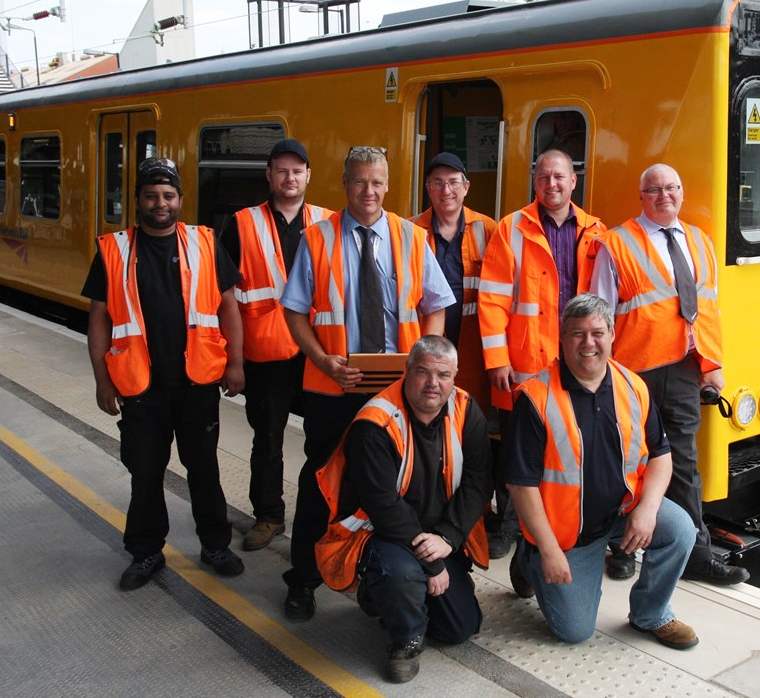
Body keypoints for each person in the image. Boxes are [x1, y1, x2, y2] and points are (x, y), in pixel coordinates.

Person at [278, 145, 455, 622]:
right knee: (322, 483)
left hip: (397, 391)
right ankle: (303, 579)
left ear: (388, 184)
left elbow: (435, 303)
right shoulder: (317, 238)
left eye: (377, 182)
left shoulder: (412, 238)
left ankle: (372, 574)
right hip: (334, 387)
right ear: (344, 183)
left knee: (390, 487)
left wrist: (425, 363)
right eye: (359, 181)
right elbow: (294, 310)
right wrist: (322, 359)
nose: (369, 191)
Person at [82, 156, 246, 591]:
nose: (160, 203)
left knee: (204, 469)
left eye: (168, 195)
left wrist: (235, 363)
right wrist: (102, 380)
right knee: (146, 472)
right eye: (152, 195)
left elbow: (229, 305)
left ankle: (214, 545)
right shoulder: (113, 250)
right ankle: (146, 552)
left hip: (197, 381)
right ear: (137, 200)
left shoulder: (206, 243)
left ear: (179, 200)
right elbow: (98, 317)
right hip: (139, 386)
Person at [503, 294, 699, 649]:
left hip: (623, 512)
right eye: (577, 334)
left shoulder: (632, 386)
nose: (588, 343)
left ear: (611, 335)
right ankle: (530, 558)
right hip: (567, 533)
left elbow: (661, 455)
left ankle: (651, 614)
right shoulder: (535, 398)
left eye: (597, 332)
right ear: (562, 339)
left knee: (680, 530)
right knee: (574, 632)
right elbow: (520, 485)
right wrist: (548, 550)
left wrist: (648, 509)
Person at [590, 163, 748, 587]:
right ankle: (622, 548)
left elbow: (710, 311)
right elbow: (599, 313)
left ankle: (697, 557)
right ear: (642, 196)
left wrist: (713, 368)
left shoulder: (699, 240)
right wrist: (599, 376)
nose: (665, 196)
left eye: (672, 188)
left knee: (682, 464)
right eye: (655, 189)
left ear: (681, 192)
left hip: (682, 370)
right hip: (630, 373)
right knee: (625, 462)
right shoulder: (617, 243)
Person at [313, 336, 491, 684]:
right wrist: (434, 563)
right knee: (401, 575)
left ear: (455, 377)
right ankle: (404, 639)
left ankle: (390, 597)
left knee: (459, 628)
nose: (432, 384)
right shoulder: (374, 423)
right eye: (423, 372)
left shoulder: (466, 411)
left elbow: (478, 480)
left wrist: (448, 537)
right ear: (407, 372)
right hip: (383, 535)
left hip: (439, 532)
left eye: (443, 375)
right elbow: (383, 506)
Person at [477, 148, 606, 562]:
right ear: (535, 183)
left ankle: (549, 536)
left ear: (574, 182)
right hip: (525, 368)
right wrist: (498, 360)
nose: (552, 184)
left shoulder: (596, 231)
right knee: (518, 451)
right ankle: (511, 527)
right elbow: (492, 299)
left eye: (559, 177)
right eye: (544, 178)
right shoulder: (511, 227)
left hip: (578, 364)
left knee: (565, 451)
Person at [220, 138, 334, 552]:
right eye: (282, 170)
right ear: (269, 175)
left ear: (308, 176)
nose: (290, 177)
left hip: (318, 353)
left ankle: (324, 518)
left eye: (297, 170)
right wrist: (232, 361)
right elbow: (224, 297)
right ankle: (269, 516)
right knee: (267, 438)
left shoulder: (328, 222)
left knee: (324, 439)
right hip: (265, 356)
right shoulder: (241, 223)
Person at [412, 152, 497, 414]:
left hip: (473, 349)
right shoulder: (410, 231)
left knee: (470, 419)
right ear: (428, 189)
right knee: (426, 416)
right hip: (424, 343)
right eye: (437, 183)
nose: (445, 190)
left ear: (466, 187)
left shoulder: (488, 229)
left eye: (453, 182)